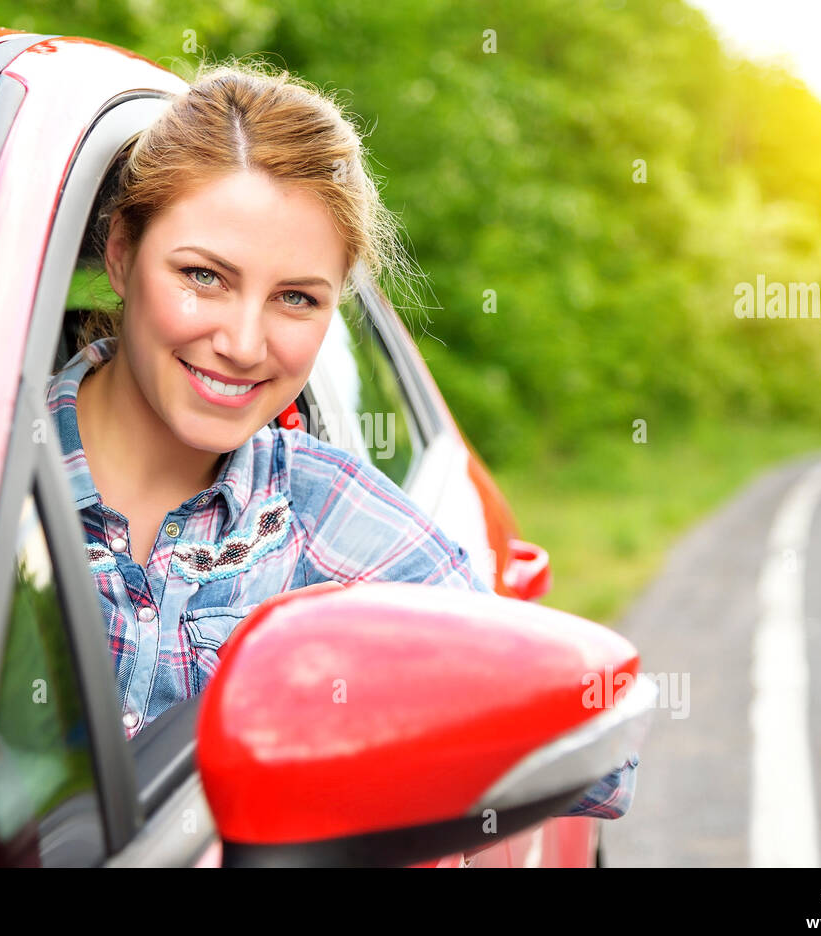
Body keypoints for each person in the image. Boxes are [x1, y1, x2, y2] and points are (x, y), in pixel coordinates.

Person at [47, 58, 638, 820]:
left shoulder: (335, 525)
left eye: (296, 297)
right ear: (123, 253)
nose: (243, 340)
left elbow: (603, 761)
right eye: (203, 276)